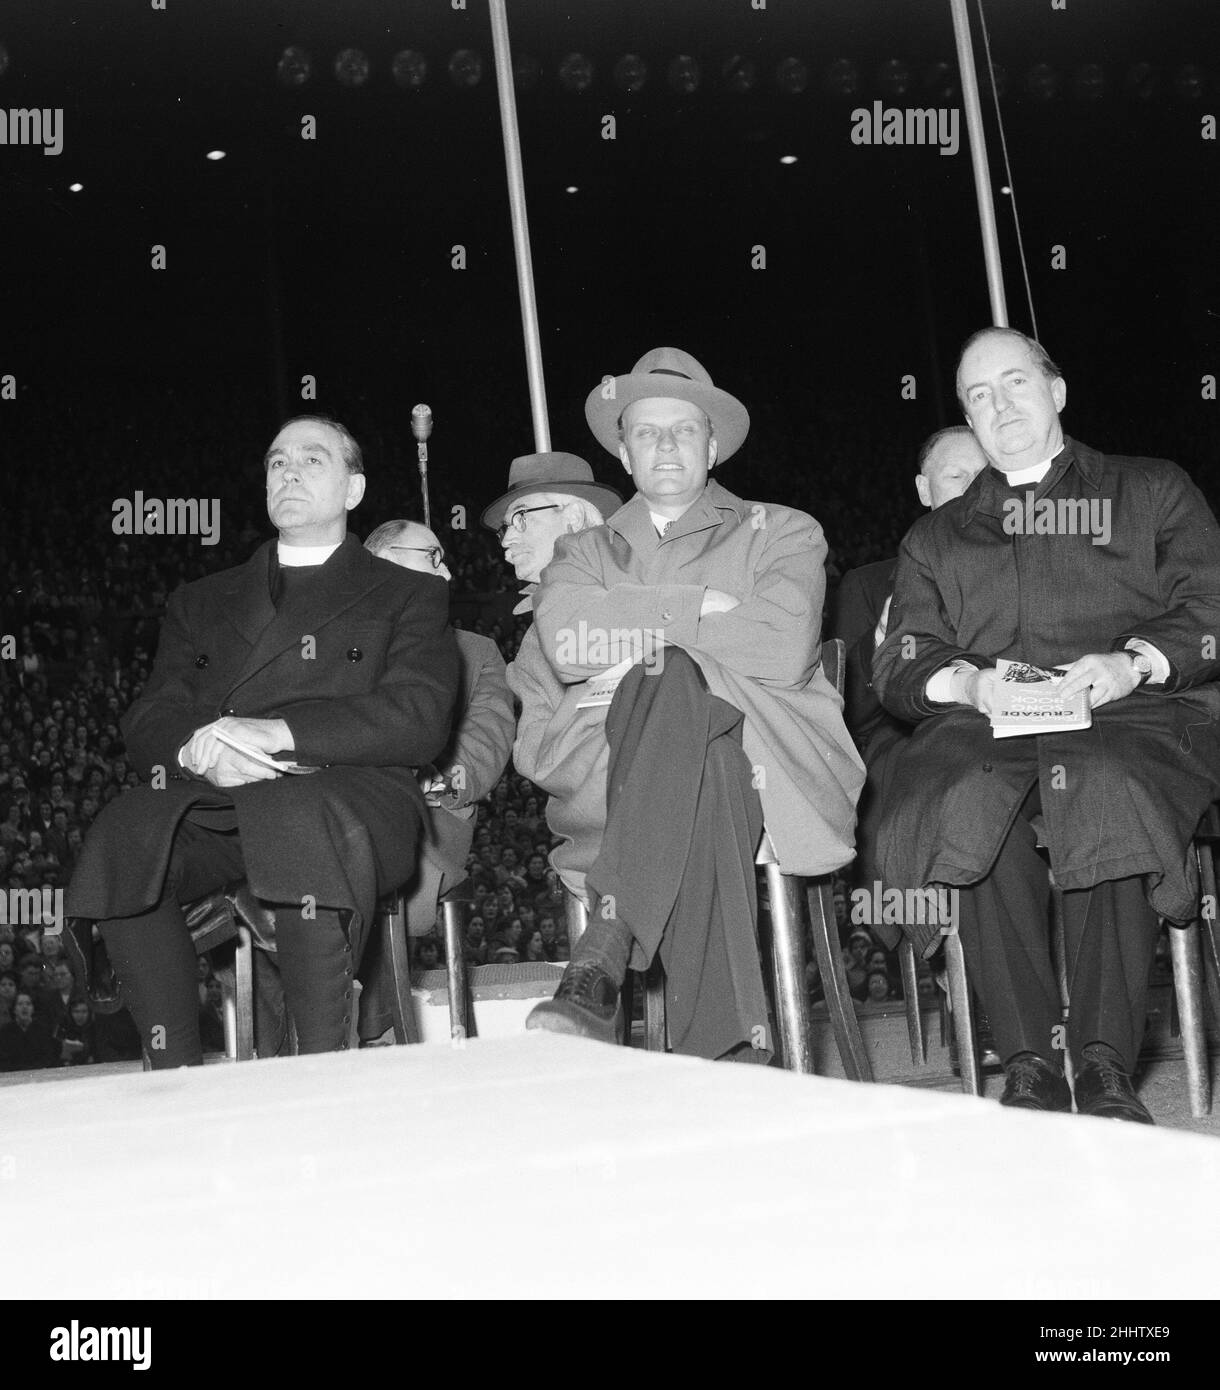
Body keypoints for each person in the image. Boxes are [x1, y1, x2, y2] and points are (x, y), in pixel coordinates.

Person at [873, 327, 1220, 1122]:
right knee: (965, 794)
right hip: (990, 725)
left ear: (1056, 392)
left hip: (1133, 712)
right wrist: (967, 681)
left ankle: (1103, 1062)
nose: (1001, 405)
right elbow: (900, 662)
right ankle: (1028, 1059)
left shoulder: (1153, 489)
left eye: (1016, 383)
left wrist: (1129, 662)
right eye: (978, 395)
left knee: (1105, 784)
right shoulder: (935, 536)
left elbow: (1210, 606)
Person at [65, 415, 459, 1068]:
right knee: (127, 829)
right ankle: (175, 1074)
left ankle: (321, 1071)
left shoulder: (408, 594)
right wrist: (198, 749)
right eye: (277, 462)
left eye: (312, 459)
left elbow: (417, 718)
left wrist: (277, 736)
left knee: (295, 816)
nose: (289, 472)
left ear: (354, 490)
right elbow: (150, 717)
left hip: (353, 792)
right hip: (221, 793)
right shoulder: (202, 599)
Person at [516, 347, 865, 1058]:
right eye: (647, 431)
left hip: (777, 763)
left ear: (712, 445)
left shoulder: (785, 530)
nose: (667, 444)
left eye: (684, 430)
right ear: (621, 451)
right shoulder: (581, 551)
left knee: (669, 675)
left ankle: (609, 941)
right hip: (654, 775)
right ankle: (728, 1054)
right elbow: (569, 642)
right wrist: (703, 605)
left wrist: (640, 644)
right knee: (708, 765)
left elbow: (781, 644)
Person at [355, 519, 514, 1044]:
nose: (447, 570)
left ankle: (368, 1029)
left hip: (426, 825)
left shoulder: (476, 651)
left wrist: (438, 774)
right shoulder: (336, 645)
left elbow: (488, 742)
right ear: (382, 565)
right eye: (433, 556)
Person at [0, 990, 59, 1070]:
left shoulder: (43, 1030)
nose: (25, 1007)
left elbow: (48, 1058)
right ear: (14, 1009)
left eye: (28, 1004)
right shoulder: (5, 1032)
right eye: (20, 1004)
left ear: (33, 1009)